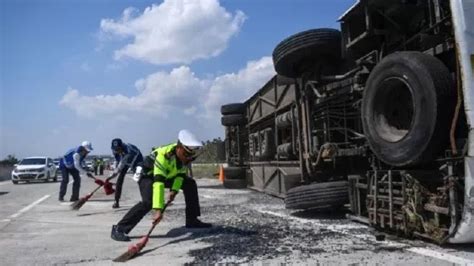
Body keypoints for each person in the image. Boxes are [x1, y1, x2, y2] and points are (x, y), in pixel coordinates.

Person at [111, 129, 212, 242]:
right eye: (186, 154)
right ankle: (119, 228)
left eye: (190, 155)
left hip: (167, 176)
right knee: (148, 202)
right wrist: (158, 210)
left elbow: (180, 175)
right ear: (179, 147)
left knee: (190, 184)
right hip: (148, 175)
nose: (188, 158)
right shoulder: (164, 155)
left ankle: (192, 220)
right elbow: (158, 183)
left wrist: (174, 190)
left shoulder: (183, 157)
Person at [108, 138, 143, 208]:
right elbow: (118, 161)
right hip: (125, 161)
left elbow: (123, 162)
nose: (116, 151)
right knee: (119, 180)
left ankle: (146, 199)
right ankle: (116, 201)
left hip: (137, 161)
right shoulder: (115, 151)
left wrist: (116, 171)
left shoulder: (129, 150)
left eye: (118, 149)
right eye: (115, 149)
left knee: (139, 179)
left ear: (122, 146)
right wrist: (114, 171)